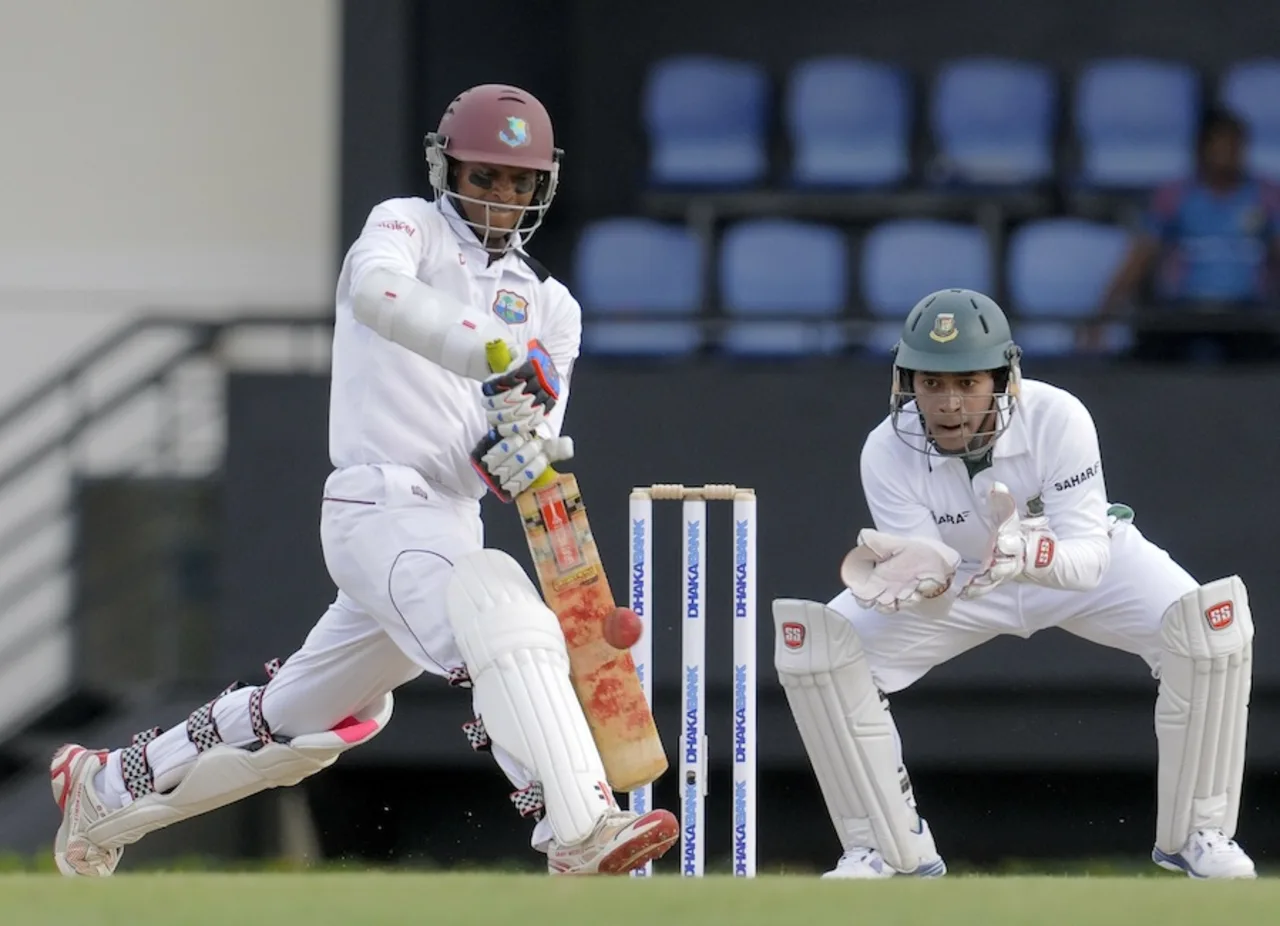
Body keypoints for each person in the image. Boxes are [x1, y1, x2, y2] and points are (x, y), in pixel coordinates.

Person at [49, 83, 679, 877]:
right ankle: (578, 824)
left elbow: (522, 451)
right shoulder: (404, 226)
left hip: (448, 524)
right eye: (483, 177)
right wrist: (489, 349)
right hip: (376, 507)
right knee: (502, 618)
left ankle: (104, 788)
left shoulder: (552, 307)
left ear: (542, 188)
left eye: (518, 183)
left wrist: (519, 454)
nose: (500, 198)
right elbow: (377, 294)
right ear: (446, 167)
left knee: (296, 718)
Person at [774, 288, 1256, 879]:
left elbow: (1090, 563)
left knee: (1208, 626)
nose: (948, 403)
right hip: (967, 585)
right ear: (908, 382)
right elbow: (934, 582)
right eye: (930, 383)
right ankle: (887, 850)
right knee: (823, 649)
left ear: (1005, 378)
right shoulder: (885, 449)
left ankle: (1198, 835)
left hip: (1068, 563)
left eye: (967, 382)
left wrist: (1029, 550)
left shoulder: (1059, 417)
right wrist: (923, 580)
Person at [1091, 107, 1280, 362]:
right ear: (1203, 148)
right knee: (1144, 358)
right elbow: (1141, 256)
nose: (1228, 154)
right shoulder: (1174, 196)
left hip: (1246, 314)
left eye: (1235, 146)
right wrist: (1102, 317)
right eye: (1220, 145)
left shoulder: (1267, 196)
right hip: (1184, 311)